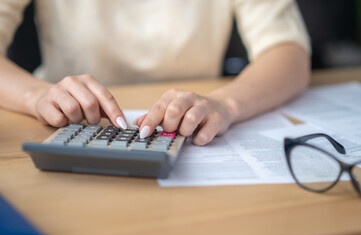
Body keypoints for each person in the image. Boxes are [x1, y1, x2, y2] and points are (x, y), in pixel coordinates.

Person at [0, 0, 310, 146]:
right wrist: (36, 94)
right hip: (66, 125)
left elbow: (288, 52)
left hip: (191, 129)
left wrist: (225, 104)